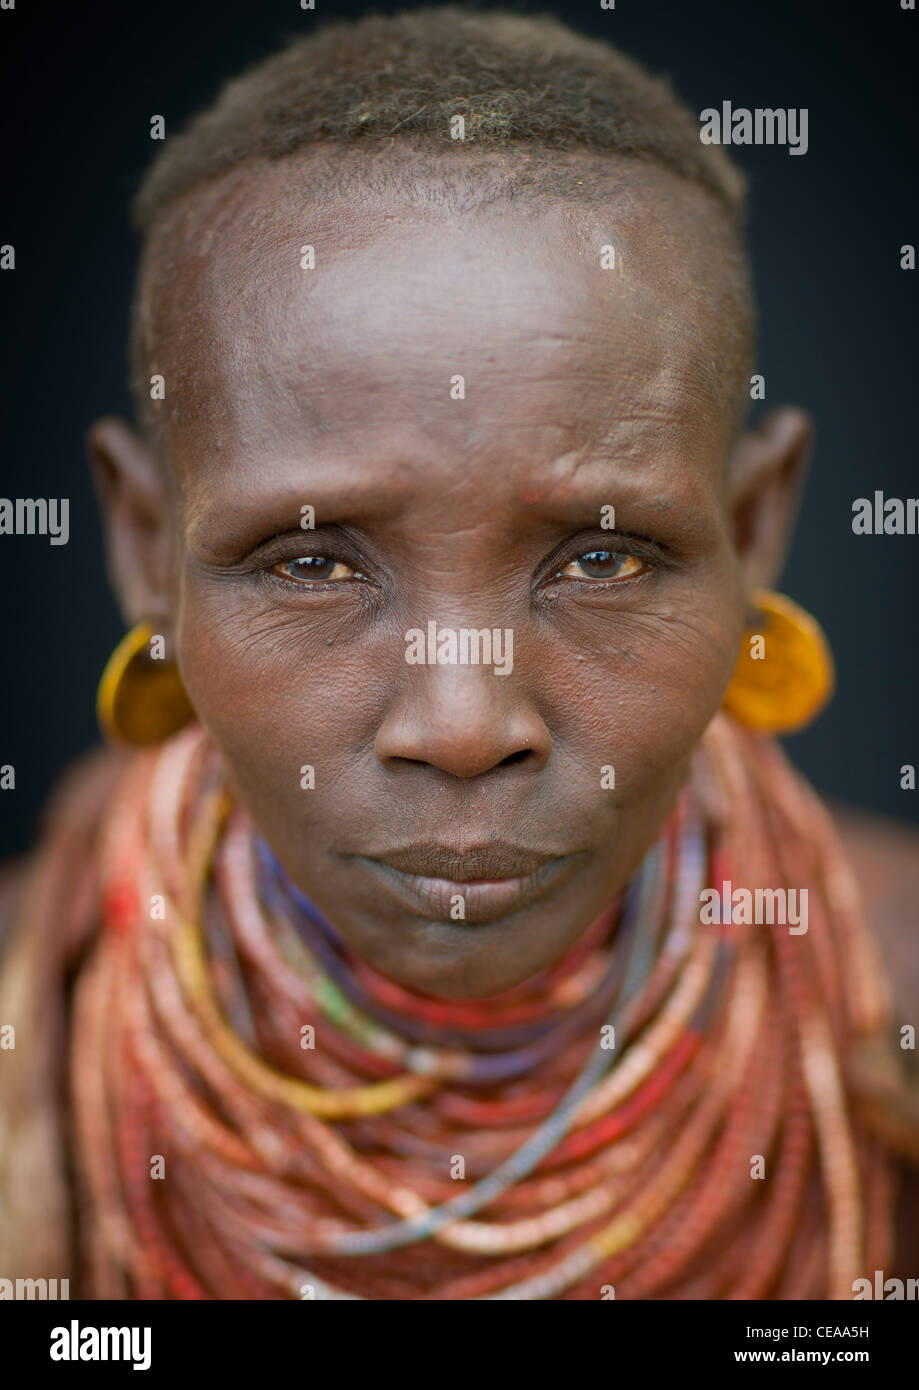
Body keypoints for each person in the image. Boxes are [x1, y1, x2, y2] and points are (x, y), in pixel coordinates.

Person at [1, 6, 917, 1300]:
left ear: (754, 529)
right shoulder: (33, 1016)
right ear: (148, 547)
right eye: (311, 560)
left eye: (603, 557)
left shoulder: (889, 1000)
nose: (463, 722)